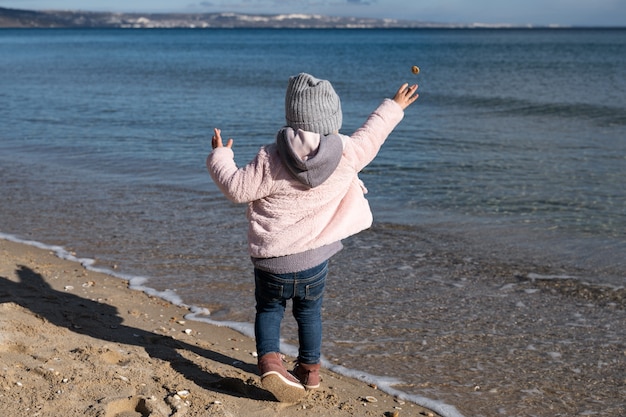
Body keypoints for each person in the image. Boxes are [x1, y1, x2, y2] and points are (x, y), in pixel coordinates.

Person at [206, 73, 418, 402]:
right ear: (333, 117)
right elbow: (374, 133)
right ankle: (309, 370)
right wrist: (394, 105)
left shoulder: (270, 157)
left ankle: (271, 363)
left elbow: (236, 189)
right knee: (309, 312)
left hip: (271, 261)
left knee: (268, 310)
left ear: (291, 115)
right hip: (313, 261)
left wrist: (221, 156)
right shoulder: (348, 152)